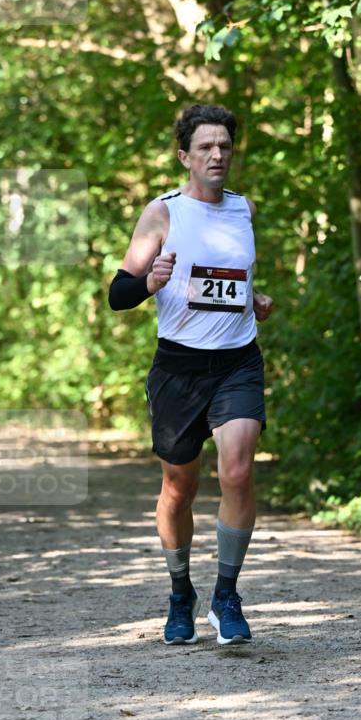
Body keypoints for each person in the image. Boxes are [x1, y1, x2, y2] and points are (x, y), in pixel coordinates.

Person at [109, 104, 273, 647]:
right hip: (178, 368)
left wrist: (255, 298)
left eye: (224, 146)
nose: (217, 155)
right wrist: (150, 283)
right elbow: (118, 293)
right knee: (179, 488)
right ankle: (182, 591)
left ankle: (227, 595)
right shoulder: (163, 212)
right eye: (205, 147)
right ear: (185, 156)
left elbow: (228, 282)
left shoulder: (242, 209)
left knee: (238, 469)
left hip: (237, 360)